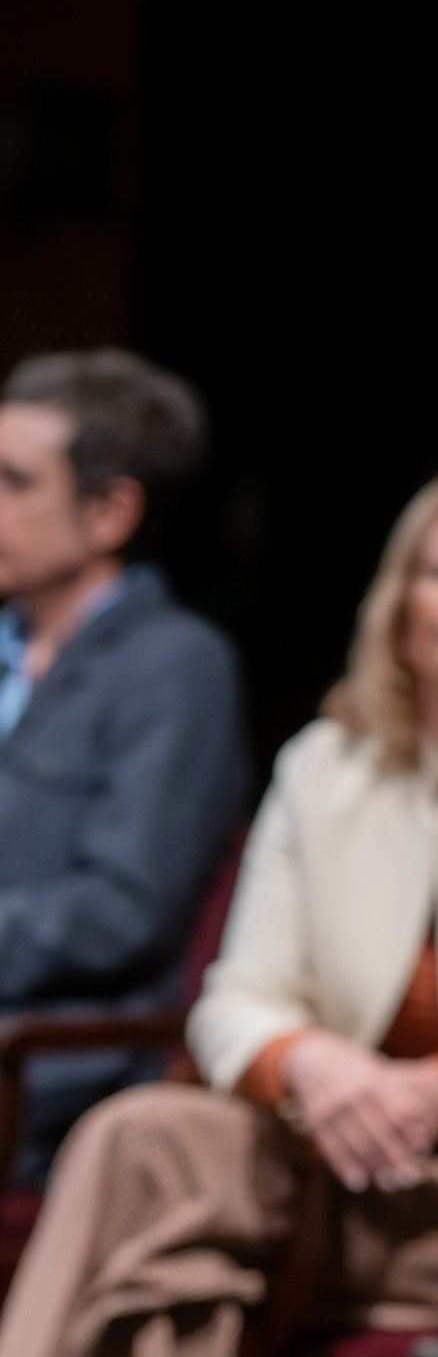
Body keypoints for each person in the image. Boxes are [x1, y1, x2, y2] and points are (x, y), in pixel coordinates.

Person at [0, 466, 438, 1357]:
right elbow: (235, 998)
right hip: (298, 1166)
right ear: (401, 611)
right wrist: (311, 1063)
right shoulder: (327, 765)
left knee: (164, 1242)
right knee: (150, 1171)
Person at [0, 349, 249, 1184]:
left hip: (55, 1061)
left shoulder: (175, 665)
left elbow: (122, 908)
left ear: (110, 512)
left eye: (14, 482)